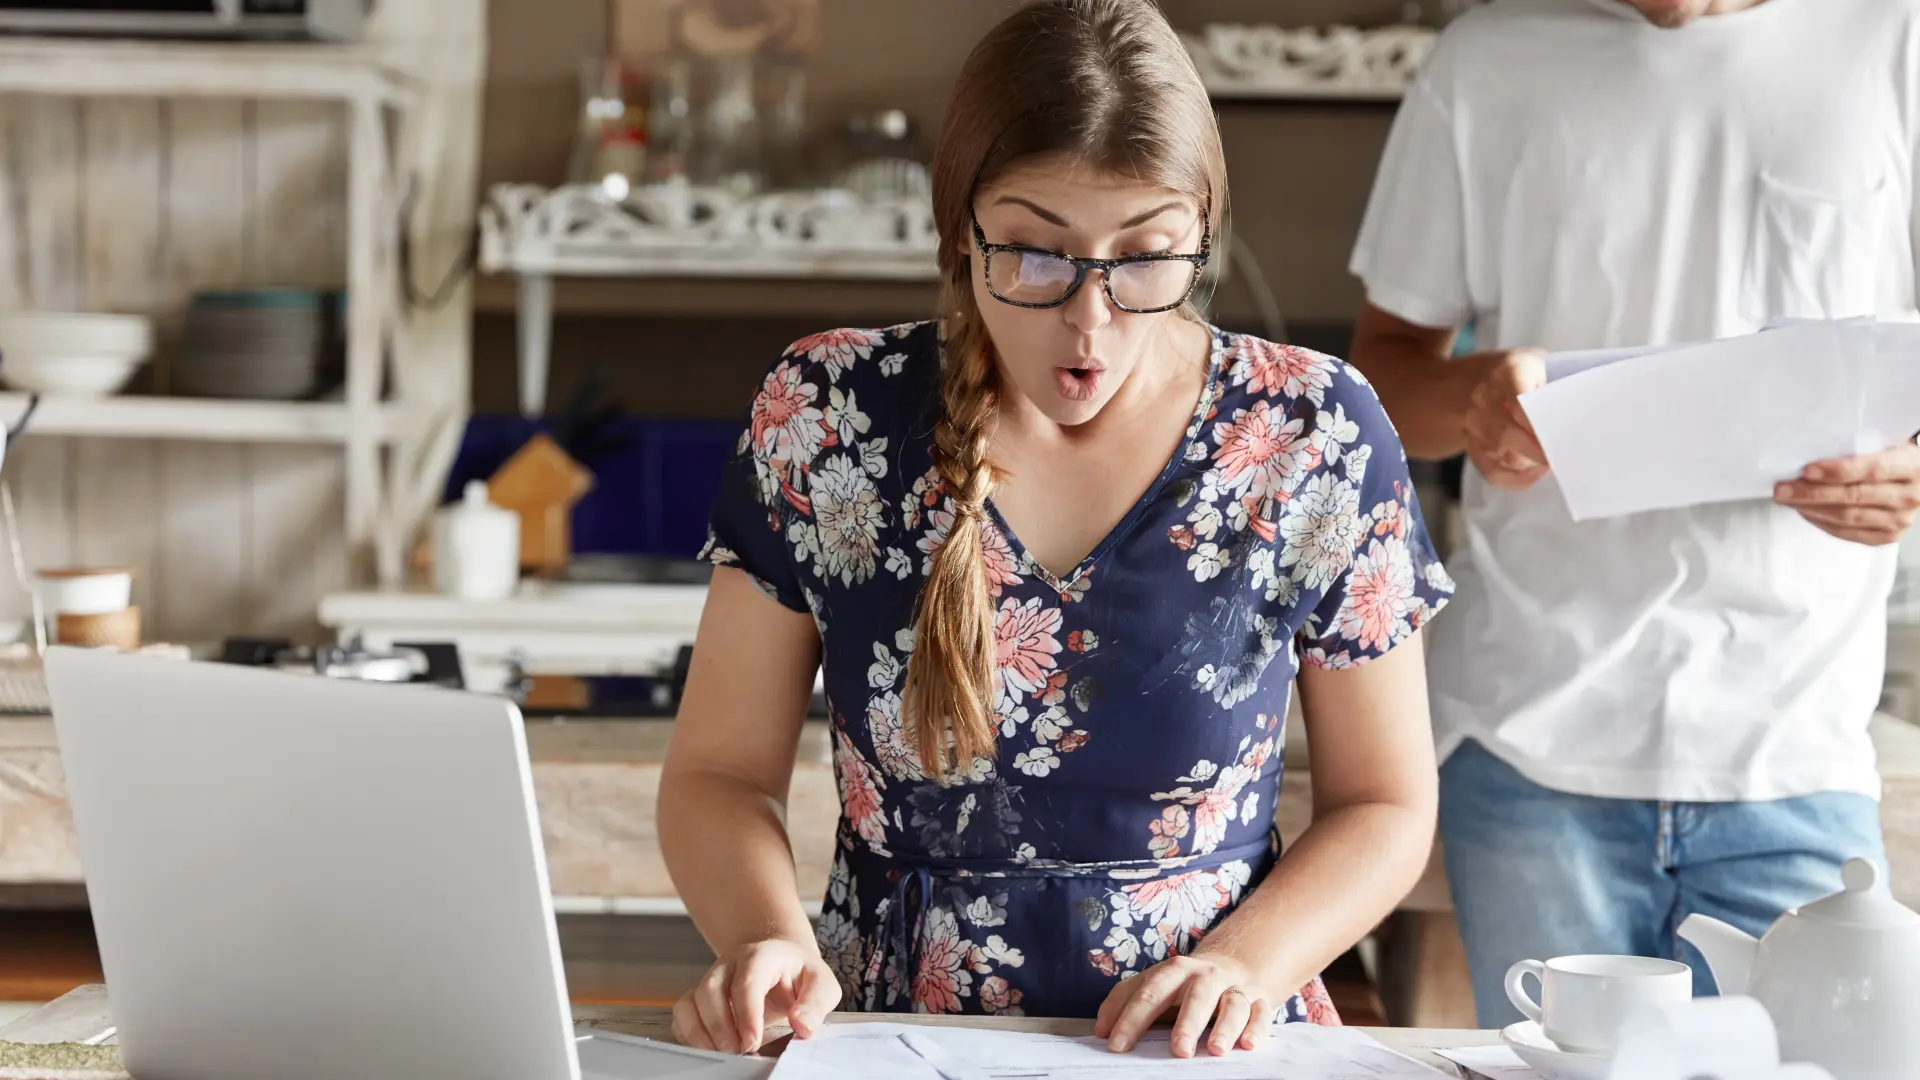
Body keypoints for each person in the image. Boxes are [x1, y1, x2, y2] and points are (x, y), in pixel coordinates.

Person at [658, 0, 1454, 1058]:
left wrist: (1246, 962)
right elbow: (717, 775)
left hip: (1197, 1050)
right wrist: (766, 940)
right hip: (891, 1040)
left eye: (1144, 259)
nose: (1090, 321)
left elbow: (1386, 804)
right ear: (961, 232)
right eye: (1035, 255)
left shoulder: (1314, 431)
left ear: (1201, 237)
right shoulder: (825, 413)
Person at [1348, 0, 1920, 1027]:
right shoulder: (1486, 58)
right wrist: (1479, 401)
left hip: (1796, 743)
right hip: (1530, 746)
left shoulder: (1895, 37)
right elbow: (1383, 376)